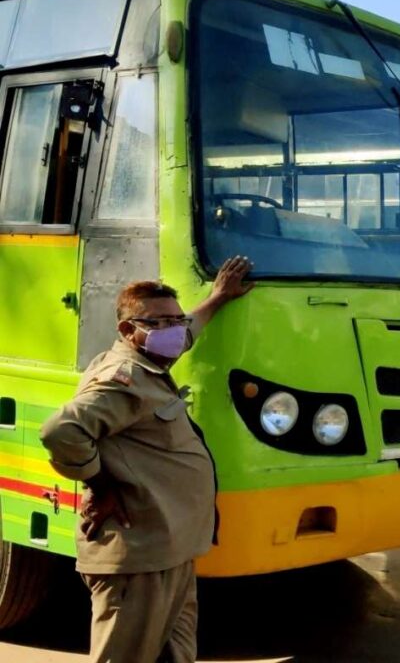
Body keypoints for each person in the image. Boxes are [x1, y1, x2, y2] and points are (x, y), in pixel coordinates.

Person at [40, 256, 253, 663]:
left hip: (170, 552)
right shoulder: (124, 377)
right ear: (128, 330)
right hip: (138, 560)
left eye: (177, 320)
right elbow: (61, 431)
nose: (175, 330)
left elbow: (188, 330)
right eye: (161, 323)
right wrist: (101, 487)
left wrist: (218, 298)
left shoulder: (152, 361)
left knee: (176, 656)